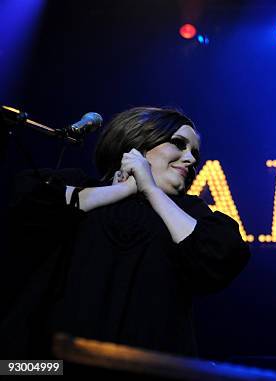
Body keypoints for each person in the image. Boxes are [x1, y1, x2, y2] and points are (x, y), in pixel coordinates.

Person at [0, 107, 251, 358]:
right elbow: (29, 207)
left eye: (194, 152)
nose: (192, 159)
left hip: (149, 370)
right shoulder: (78, 184)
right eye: (179, 144)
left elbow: (218, 256)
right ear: (137, 143)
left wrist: (150, 190)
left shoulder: (192, 211)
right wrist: (124, 189)